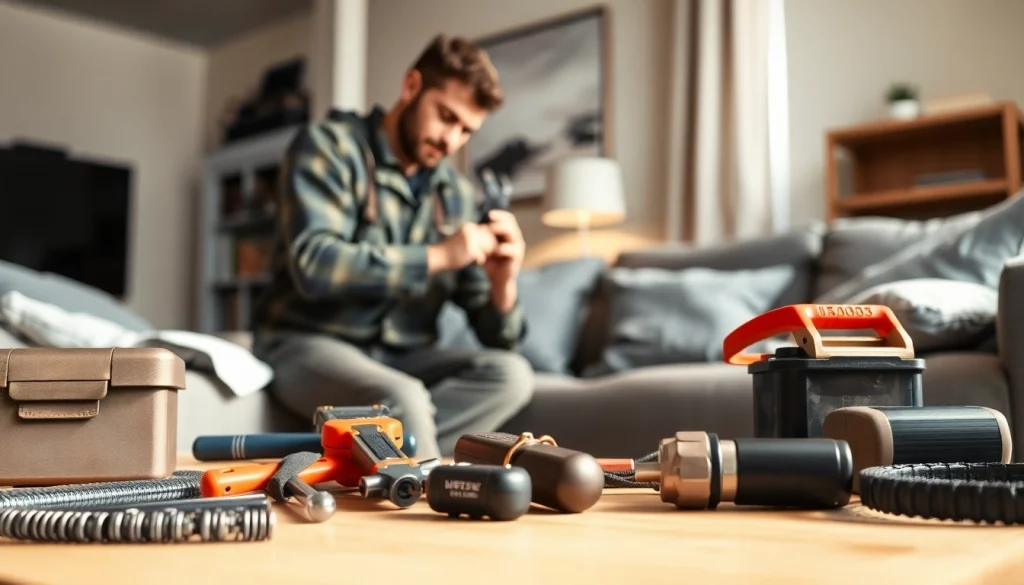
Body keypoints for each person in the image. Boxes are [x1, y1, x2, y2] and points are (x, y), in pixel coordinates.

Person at [251, 34, 534, 460]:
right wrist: (440, 256)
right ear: (411, 86)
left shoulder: (456, 193)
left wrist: (503, 282)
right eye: (445, 117)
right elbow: (315, 264)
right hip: (306, 343)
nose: (452, 141)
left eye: (466, 131)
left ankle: (386, 461)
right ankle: (421, 492)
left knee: (512, 375)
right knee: (400, 397)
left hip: (404, 355)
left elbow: (498, 338)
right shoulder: (329, 147)